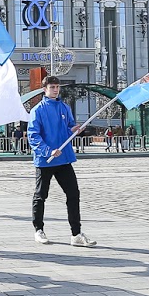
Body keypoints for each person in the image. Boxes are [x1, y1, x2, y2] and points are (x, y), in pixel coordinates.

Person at [27, 76, 95, 247]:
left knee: (73, 194)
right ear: (45, 89)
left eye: (57, 87)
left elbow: (68, 129)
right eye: (52, 87)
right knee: (41, 195)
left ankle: (76, 233)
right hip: (46, 160)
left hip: (64, 159)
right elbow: (33, 136)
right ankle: (39, 229)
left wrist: (75, 130)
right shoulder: (37, 110)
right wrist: (48, 151)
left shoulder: (64, 107)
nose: (56, 90)